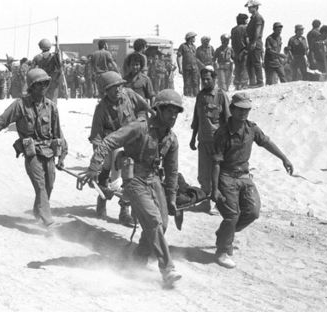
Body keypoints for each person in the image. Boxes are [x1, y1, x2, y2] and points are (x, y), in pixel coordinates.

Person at [79, 90, 184, 288]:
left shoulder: (171, 139)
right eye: (169, 111)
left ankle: (137, 260)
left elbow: (172, 172)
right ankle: (167, 269)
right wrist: (95, 167)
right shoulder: (140, 127)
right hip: (133, 178)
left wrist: (171, 198)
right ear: (158, 110)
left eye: (176, 113)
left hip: (153, 179)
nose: (173, 116)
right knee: (153, 220)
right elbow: (109, 141)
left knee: (161, 225)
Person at [0, 68, 68, 229]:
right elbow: (1, 122)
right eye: (39, 84)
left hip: (49, 153)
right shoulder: (20, 105)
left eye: (45, 83)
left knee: (49, 185)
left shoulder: (51, 107)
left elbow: (59, 134)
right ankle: (48, 220)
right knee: (40, 186)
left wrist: (62, 157)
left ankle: (38, 212)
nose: (43, 87)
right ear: (31, 87)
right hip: (32, 154)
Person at [211, 92, 293, 268]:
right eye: (240, 110)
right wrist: (215, 188)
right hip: (226, 176)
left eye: (247, 110)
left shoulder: (251, 129)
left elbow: (266, 142)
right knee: (232, 215)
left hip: (244, 176)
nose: (243, 114)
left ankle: (227, 233)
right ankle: (222, 250)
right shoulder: (222, 133)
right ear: (232, 109)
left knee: (253, 212)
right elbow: (216, 163)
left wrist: (284, 158)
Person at [89, 71, 152, 227]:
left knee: (130, 175)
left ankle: (125, 211)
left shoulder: (129, 95)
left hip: (131, 142)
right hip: (110, 144)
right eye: (113, 88)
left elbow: (145, 107)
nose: (118, 90)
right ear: (105, 90)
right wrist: (98, 158)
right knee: (106, 170)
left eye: (119, 86)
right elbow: (96, 136)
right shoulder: (101, 109)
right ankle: (102, 198)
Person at [190, 66, 230, 214]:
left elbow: (227, 119)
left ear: (214, 79)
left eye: (208, 79)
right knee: (203, 173)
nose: (205, 81)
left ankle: (217, 202)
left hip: (217, 142)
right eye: (203, 79)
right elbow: (197, 119)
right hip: (203, 140)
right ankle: (205, 201)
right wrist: (193, 138)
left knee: (217, 172)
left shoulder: (221, 95)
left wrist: (226, 141)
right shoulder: (200, 96)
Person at [32, 38, 63, 104]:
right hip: (52, 80)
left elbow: (32, 70)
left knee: (41, 98)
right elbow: (59, 66)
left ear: (40, 47)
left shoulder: (37, 57)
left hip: (41, 80)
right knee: (53, 98)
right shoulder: (54, 56)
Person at [245, 0, 265, 87]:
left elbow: (257, 31)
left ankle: (260, 82)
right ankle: (253, 82)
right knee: (249, 63)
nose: (249, 9)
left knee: (256, 62)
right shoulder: (253, 18)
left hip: (255, 42)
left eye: (250, 7)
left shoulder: (258, 17)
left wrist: (254, 42)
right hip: (251, 42)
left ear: (256, 7)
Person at [177, 32, 199, 96]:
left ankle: (195, 95)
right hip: (186, 67)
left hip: (194, 67)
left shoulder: (194, 47)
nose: (194, 39)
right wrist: (180, 67)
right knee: (187, 82)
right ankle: (187, 95)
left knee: (195, 82)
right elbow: (179, 57)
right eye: (193, 37)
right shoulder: (183, 46)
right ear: (190, 38)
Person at [231, 13, 249, 90]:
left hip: (235, 52)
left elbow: (232, 42)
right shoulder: (245, 28)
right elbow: (247, 40)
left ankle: (237, 85)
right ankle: (244, 84)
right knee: (244, 68)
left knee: (237, 68)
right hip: (244, 51)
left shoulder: (233, 29)